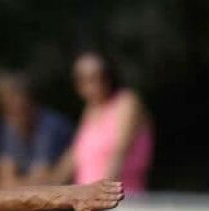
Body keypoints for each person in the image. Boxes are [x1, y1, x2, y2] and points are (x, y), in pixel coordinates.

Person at [54, 51, 153, 193]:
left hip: (118, 199)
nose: (93, 84)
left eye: (98, 76)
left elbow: (119, 153)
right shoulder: (91, 109)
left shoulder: (127, 102)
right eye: (83, 79)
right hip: (87, 200)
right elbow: (74, 155)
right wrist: (48, 190)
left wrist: (100, 196)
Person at [0, 70, 73, 187]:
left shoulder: (51, 126)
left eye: (20, 108)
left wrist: (14, 184)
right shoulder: (7, 125)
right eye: (7, 109)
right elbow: (4, 179)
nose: (14, 116)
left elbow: (42, 183)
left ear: (31, 103)